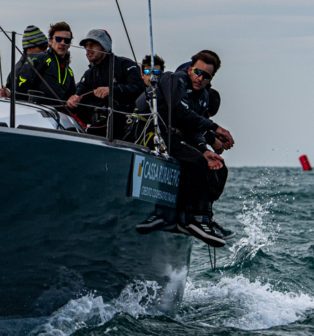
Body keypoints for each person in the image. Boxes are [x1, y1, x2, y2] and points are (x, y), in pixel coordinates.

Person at [142, 51, 235, 246]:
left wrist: (204, 149)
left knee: (218, 167)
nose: (200, 78)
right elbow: (180, 113)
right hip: (155, 134)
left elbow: (192, 129)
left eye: (206, 76)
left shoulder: (201, 95)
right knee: (197, 163)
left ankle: (203, 217)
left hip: (178, 137)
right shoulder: (175, 79)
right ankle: (189, 217)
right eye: (197, 71)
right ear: (190, 68)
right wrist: (214, 128)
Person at [66, 29, 145, 139]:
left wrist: (112, 90)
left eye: (93, 45)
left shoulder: (125, 65)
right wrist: (73, 102)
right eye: (86, 45)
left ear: (104, 46)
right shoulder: (89, 74)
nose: (88, 49)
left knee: (92, 132)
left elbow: (139, 89)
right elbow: (80, 96)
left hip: (128, 121)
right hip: (102, 120)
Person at [5, 22, 76, 111]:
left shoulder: (69, 71)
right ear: (50, 41)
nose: (62, 43)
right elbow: (20, 87)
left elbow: (71, 97)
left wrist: (72, 101)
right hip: (35, 114)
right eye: (58, 39)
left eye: (67, 40)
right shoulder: (39, 59)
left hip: (58, 119)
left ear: (69, 44)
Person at [0, 25, 48, 100]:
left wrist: (10, 95)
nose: (45, 51)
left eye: (46, 48)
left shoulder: (16, 68)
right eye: (42, 48)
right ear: (29, 50)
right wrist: (9, 95)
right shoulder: (21, 69)